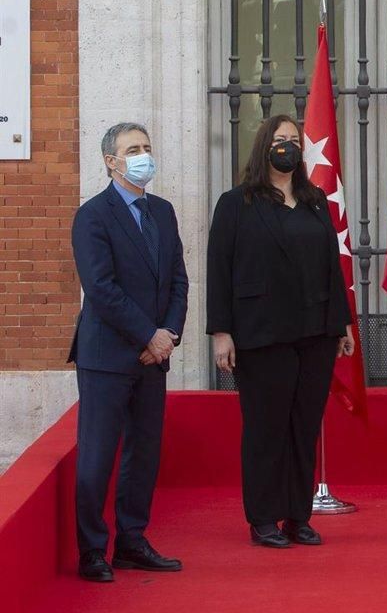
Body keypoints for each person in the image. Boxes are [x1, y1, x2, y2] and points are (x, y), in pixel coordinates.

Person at [207, 115, 355, 548]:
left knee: (303, 427)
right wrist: (221, 332)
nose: (287, 147)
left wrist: (342, 323)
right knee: (265, 428)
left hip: (316, 332)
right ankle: (264, 518)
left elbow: (333, 266)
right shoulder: (237, 203)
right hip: (261, 333)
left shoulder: (315, 201)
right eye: (279, 140)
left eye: (293, 140)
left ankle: (297, 516)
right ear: (263, 147)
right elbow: (220, 270)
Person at [69, 123, 187, 582]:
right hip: (107, 357)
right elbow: (100, 288)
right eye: (132, 150)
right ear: (111, 162)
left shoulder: (163, 211)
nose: (143, 156)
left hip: (153, 357)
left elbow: (178, 280)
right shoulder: (93, 216)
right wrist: (147, 336)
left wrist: (169, 334)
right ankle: (92, 550)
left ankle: (132, 541)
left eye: (147, 148)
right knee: (97, 455)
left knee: (145, 453)